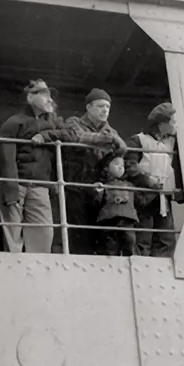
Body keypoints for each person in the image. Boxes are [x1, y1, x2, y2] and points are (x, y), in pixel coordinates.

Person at [0, 80, 78, 253]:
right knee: (12, 235)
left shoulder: (53, 122)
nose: (49, 99)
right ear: (30, 97)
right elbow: (7, 159)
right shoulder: (14, 122)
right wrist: (11, 191)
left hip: (40, 185)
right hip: (17, 184)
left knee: (43, 233)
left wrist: (46, 135)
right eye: (44, 95)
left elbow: (72, 134)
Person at [60, 88, 126, 255]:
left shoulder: (111, 131)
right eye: (101, 106)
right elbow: (79, 137)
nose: (105, 110)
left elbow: (122, 151)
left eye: (108, 107)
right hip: (74, 187)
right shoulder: (73, 122)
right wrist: (110, 139)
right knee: (79, 238)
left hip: (99, 190)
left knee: (101, 237)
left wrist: (116, 143)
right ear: (88, 107)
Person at [125, 103, 183, 258]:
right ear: (162, 123)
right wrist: (147, 180)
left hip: (163, 199)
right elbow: (129, 166)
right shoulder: (138, 140)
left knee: (166, 240)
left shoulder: (172, 143)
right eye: (173, 121)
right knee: (143, 239)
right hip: (143, 198)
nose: (175, 125)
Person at [93, 152, 138, 256]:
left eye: (122, 166)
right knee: (110, 244)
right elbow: (97, 202)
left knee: (130, 240)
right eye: (116, 164)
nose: (120, 168)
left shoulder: (129, 185)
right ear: (106, 168)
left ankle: (132, 258)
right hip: (109, 217)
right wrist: (97, 192)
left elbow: (139, 200)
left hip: (127, 218)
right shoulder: (104, 185)